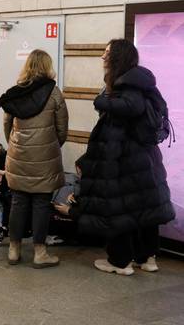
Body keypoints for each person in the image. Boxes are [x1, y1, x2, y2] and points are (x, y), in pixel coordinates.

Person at [55, 39, 174, 275]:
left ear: (117, 58)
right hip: (146, 161)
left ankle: (120, 262)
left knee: (119, 209)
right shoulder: (143, 85)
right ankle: (147, 258)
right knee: (145, 207)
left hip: (123, 162)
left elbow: (112, 137)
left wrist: (92, 164)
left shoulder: (121, 92)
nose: (102, 57)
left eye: (107, 52)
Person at [0, 49, 68, 268]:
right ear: (47, 67)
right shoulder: (54, 93)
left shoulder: (16, 93)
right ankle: (40, 252)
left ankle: (14, 249)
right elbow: (62, 128)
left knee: (18, 200)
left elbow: (7, 124)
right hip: (45, 156)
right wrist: (50, 146)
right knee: (41, 203)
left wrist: (17, 146)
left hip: (19, 154)